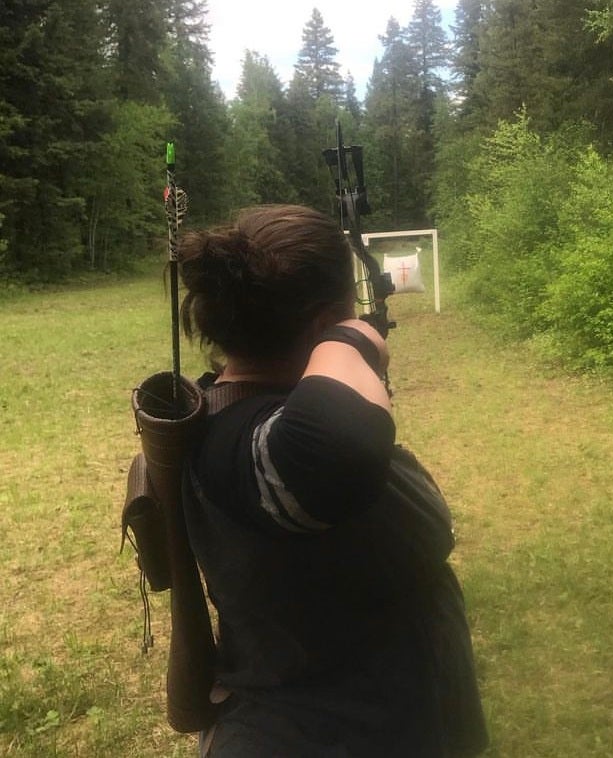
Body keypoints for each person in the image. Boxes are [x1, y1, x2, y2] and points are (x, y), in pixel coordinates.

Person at [177, 204, 488, 757]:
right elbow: (334, 445)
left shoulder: (241, 417)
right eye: (347, 317)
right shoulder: (252, 442)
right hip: (322, 735)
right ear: (323, 326)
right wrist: (352, 342)